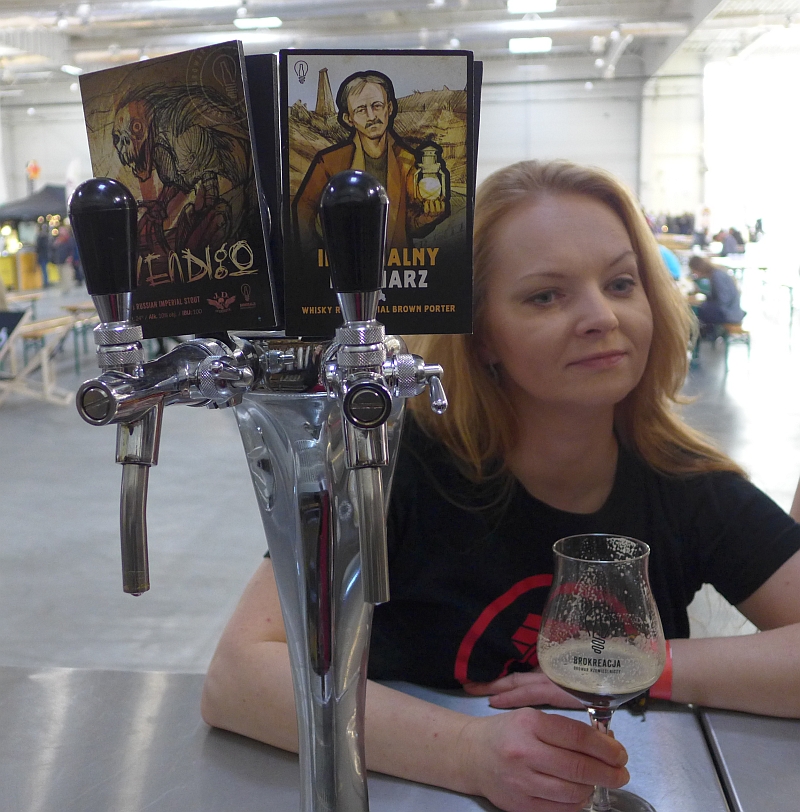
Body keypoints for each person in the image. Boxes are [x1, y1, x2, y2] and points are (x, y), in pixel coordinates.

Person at [202, 159, 800, 812]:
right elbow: (238, 674)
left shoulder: (687, 483)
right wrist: (466, 751)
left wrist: (635, 666)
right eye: (546, 296)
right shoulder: (392, 466)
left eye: (621, 283)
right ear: (483, 336)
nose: (602, 316)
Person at [292, 70, 448, 252]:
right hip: (348, 264)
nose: (371, 116)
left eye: (377, 106)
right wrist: (319, 257)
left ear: (389, 108)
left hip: (396, 265)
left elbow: (408, 222)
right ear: (348, 119)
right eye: (361, 110)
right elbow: (303, 209)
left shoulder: (407, 161)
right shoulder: (330, 162)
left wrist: (425, 219)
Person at [688, 255, 746, 331]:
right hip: (731, 310)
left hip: (729, 314)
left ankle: (705, 335)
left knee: (699, 311)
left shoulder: (717, 276)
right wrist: (703, 294)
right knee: (702, 309)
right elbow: (718, 296)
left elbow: (723, 300)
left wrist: (703, 303)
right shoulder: (716, 273)